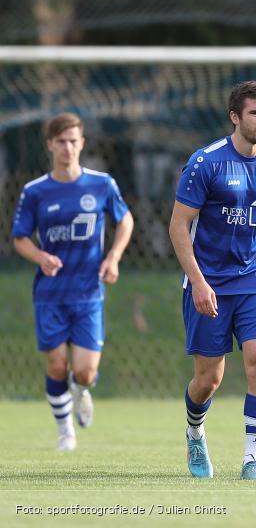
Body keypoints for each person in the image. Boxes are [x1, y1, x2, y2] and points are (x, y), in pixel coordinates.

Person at [169, 81, 256, 481]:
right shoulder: (206, 163)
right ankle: (194, 430)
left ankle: (251, 462)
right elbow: (177, 226)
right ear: (236, 117)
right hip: (210, 284)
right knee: (209, 379)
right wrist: (199, 282)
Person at [12, 113, 134, 452]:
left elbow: (125, 222)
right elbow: (20, 238)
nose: (68, 147)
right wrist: (41, 257)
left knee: (83, 372)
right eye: (61, 141)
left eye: (73, 141)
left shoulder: (101, 184)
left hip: (87, 293)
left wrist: (113, 258)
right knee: (56, 364)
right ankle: (65, 430)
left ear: (82, 144)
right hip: (49, 295)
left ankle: (81, 391)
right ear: (51, 145)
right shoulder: (35, 191)